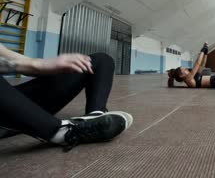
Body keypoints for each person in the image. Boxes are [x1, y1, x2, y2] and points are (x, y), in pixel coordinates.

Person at [0, 43, 132, 151]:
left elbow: (14, 60)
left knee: (101, 60)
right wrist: (39, 64)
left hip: (10, 100)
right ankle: (62, 132)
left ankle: (95, 114)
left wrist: (46, 64)